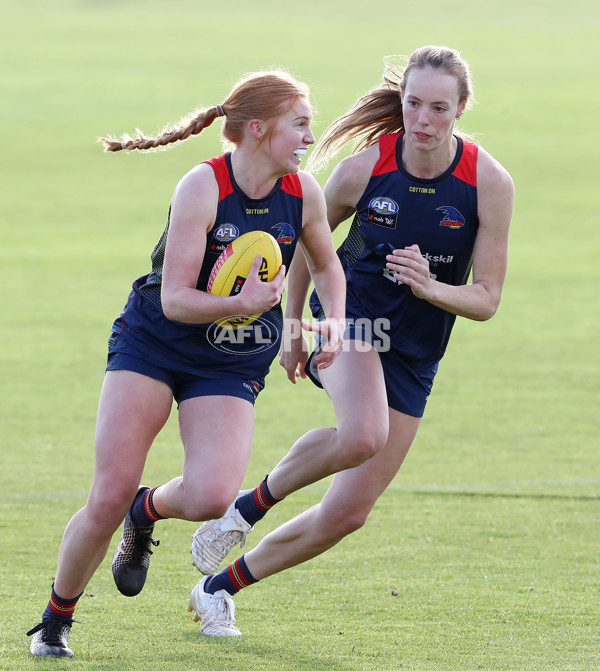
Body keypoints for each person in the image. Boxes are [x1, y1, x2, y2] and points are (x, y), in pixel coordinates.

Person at [188, 45, 514, 637]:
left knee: (348, 513)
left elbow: (487, 298)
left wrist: (433, 287)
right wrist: (294, 327)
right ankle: (247, 507)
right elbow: (305, 246)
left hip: (417, 350)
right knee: (364, 432)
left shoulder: (488, 183)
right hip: (352, 318)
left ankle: (218, 587)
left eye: (439, 108)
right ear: (403, 101)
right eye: (413, 104)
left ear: (462, 109)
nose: (422, 120)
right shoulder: (365, 169)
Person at [26, 69, 347, 657]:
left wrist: (328, 320)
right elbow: (175, 299)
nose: (309, 135)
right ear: (258, 129)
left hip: (230, 356)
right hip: (156, 340)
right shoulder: (202, 187)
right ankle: (55, 619)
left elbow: (326, 264)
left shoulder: (303, 191)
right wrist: (241, 303)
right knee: (106, 493)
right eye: (299, 123)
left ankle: (145, 510)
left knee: (208, 496)